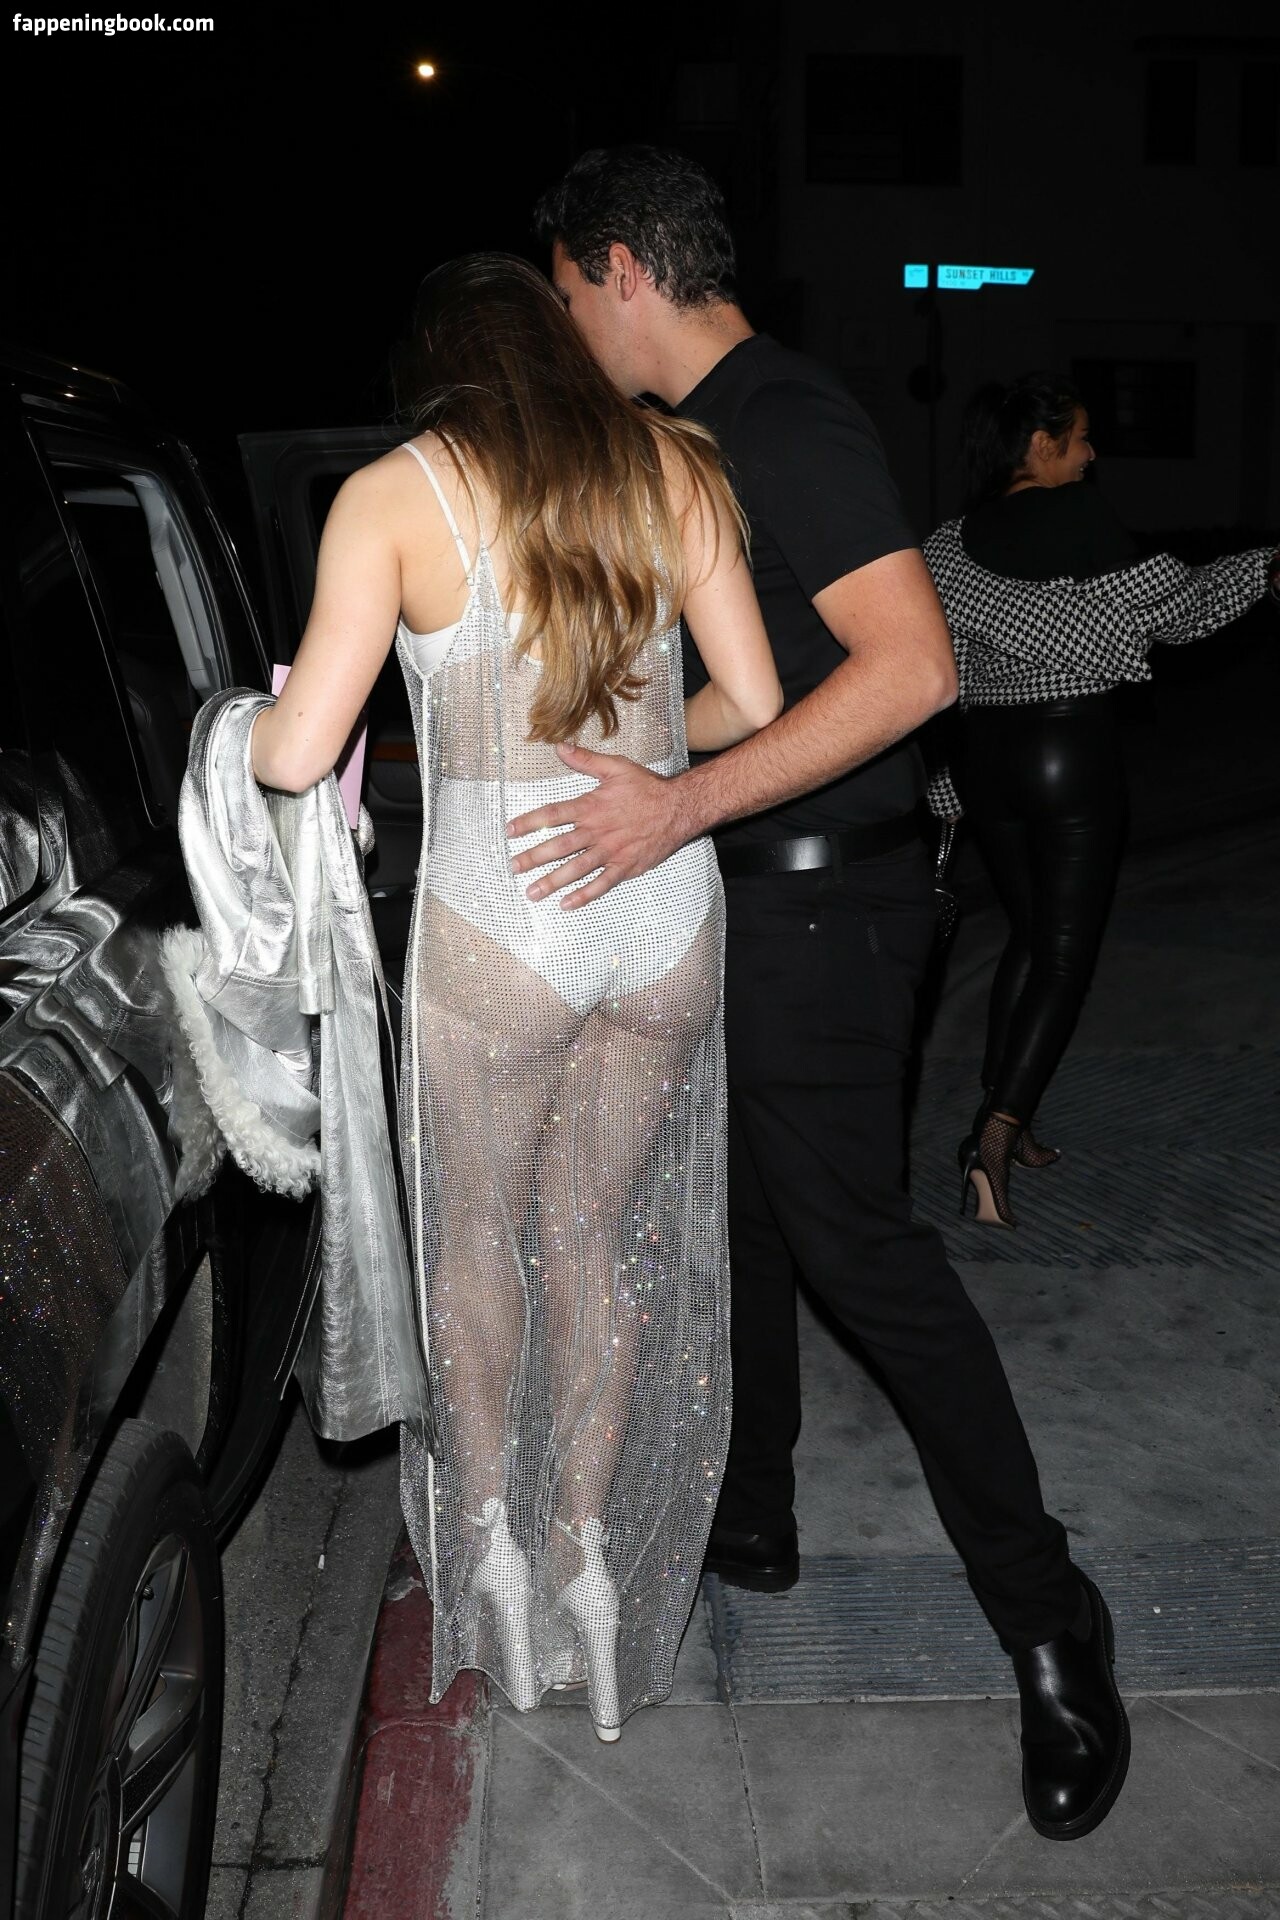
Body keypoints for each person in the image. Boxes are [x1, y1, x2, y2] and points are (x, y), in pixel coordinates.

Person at [519, 145, 1129, 1842]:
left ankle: (1051, 1620)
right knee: (744, 1218)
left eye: (566, 291)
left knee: (864, 1256)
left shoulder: (781, 417)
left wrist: (680, 805)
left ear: (621, 268)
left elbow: (915, 669)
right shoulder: (704, 430)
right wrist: (635, 765)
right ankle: (758, 1513)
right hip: (752, 895)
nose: (565, 326)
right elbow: (760, 677)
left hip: (827, 912)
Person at [249, 252, 783, 1741]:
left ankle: (487, 1544)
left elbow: (299, 754)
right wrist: (640, 765)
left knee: (477, 1239)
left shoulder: (394, 494)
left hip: (502, 919)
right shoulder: (672, 467)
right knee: (594, 1238)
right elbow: (752, 702)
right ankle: (588, 1560)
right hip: (663, 906)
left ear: (432, 368)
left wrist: (238, 725)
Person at [923, 372, 1279, 1227]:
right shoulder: (1077, 516)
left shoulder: (945, 544)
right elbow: (1178, 609)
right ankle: (995, 1134)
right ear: (1040, 446)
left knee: (1029, 933)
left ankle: (1010, 1107)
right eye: (1080, 438)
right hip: (1066, 754)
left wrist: (942, 781)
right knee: (1063, 957)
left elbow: (935, 671)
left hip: (985, 762)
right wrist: (1265, 569)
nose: (1091, 454)